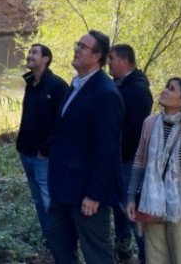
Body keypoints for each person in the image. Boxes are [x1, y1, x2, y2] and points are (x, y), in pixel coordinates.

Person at [46, 30, 124, 264]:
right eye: (77, 44)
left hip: (86, 193)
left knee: (96, 254)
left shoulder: (105, 93)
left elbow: (107, 150)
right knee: (60, 246)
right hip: (63, 187)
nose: (77, 49)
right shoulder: (77, 84)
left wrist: (94, 194)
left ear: (97, 56)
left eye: (83, 46)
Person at [126, 78, 181, 264]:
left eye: (171, 89)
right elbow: (139, 160)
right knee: (155, 259)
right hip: (152, 204)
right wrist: (131, 196)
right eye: (166, 87)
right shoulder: (150, 123)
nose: (165, 91)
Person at [16, 43, 69, 240]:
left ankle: (61, 241)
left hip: (44, 157)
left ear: (45, 59)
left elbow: (63, 123)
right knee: (38, 199)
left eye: (34, 53)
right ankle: (50, 239)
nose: (29, 55)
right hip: (26, 152)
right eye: (29, 52)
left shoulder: (57, 86)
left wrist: (46, 149)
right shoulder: (31, 83)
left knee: (49, 200)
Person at [108, 44, 153, 264]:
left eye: (112, 59)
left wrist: (116, 153)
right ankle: (123, 250)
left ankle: (146, 256)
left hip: (129, 161)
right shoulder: (122, 85)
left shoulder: (137, 90)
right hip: (119, 160)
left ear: (124, 62)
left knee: (132, 210)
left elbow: (134, 131)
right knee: (120, 208)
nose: (108, 63)